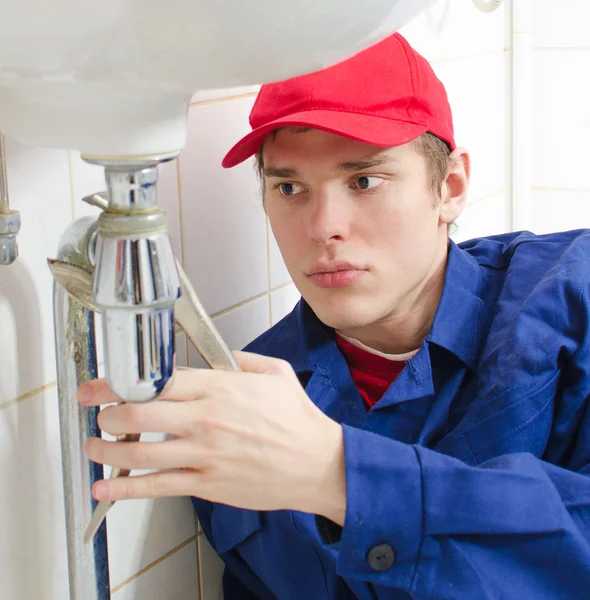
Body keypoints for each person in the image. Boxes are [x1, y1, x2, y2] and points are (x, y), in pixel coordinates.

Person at [77, 33, 590, 599]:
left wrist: (337, 475)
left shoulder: (571, 304)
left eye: (363, 181)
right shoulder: (249, 409)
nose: (323, 228)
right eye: (291, 187)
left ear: (450, 187)